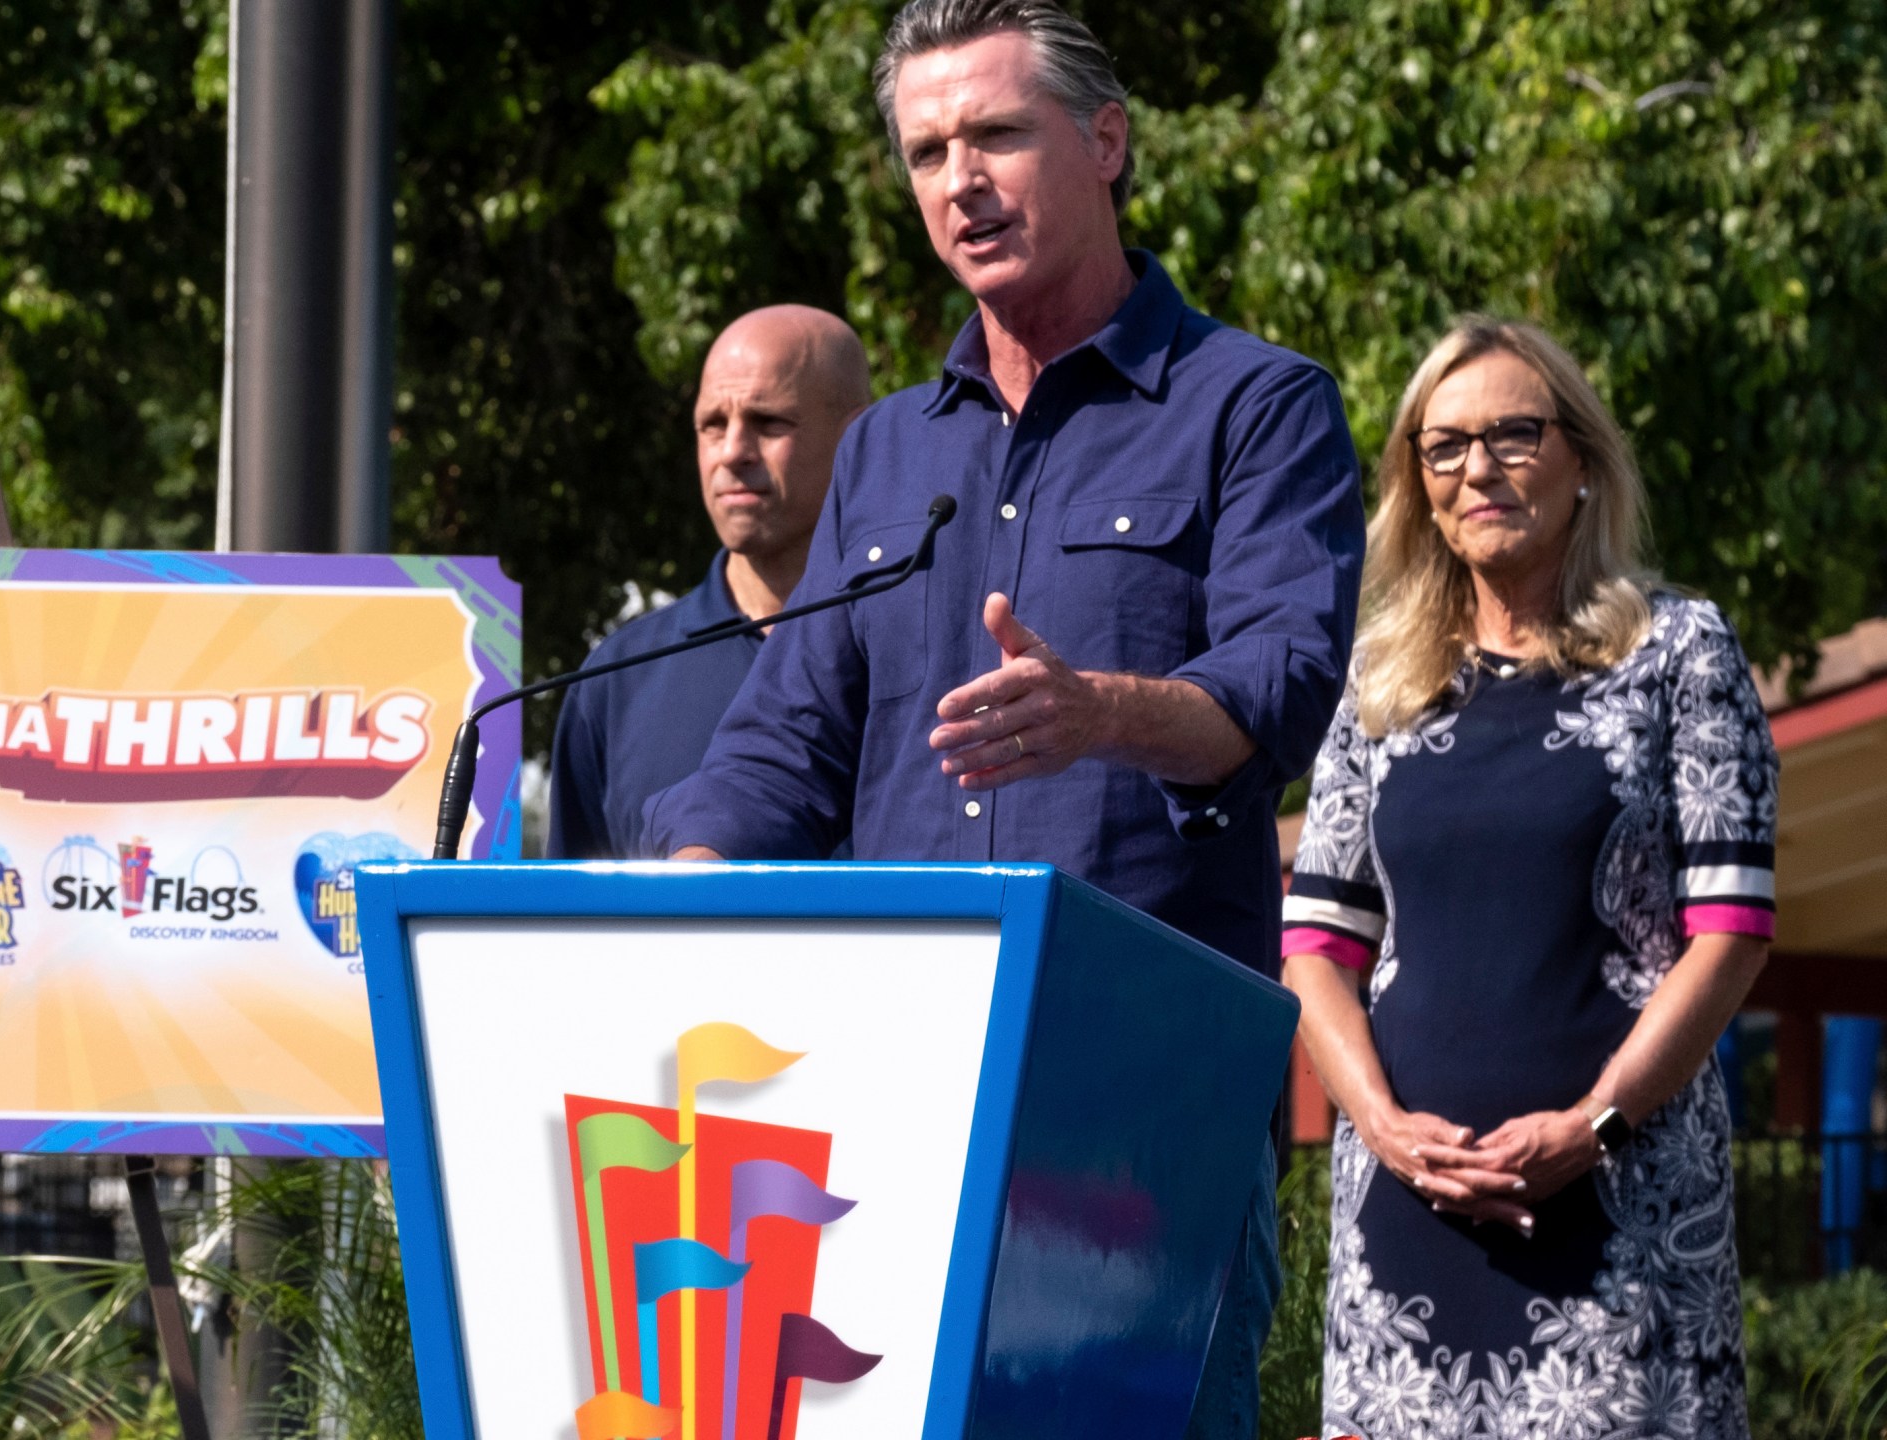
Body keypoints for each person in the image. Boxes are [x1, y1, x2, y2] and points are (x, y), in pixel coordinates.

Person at [643, 2, 1367, 1433]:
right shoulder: (888, 452)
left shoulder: (1256, 407)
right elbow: (790, 734)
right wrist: (686, 887)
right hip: (897, 1087)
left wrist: (1100, 711)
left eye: (994, 134)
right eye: (926, 151)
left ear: (1104, 142)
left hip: (1141, 1110)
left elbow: (1279, 683)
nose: (958, 178)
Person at [1281, 318, 1772, 1439]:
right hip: (1403, 1234)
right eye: (1442, 446)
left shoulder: (1681, 654)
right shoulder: (1378, 682)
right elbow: (1315, 947)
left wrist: (1590, 1125)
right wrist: (1386, 1127)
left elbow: (1732, 932)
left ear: (1582, 462)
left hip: (1620, 1229)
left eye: (1512, 433)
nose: (1477, 470)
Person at [548, 305, 871, 859]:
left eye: (770, 422)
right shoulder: (618, 680)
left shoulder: (920, 654)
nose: (732, 452)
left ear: (858, 436)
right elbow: (575, 930)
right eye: (712, 425)